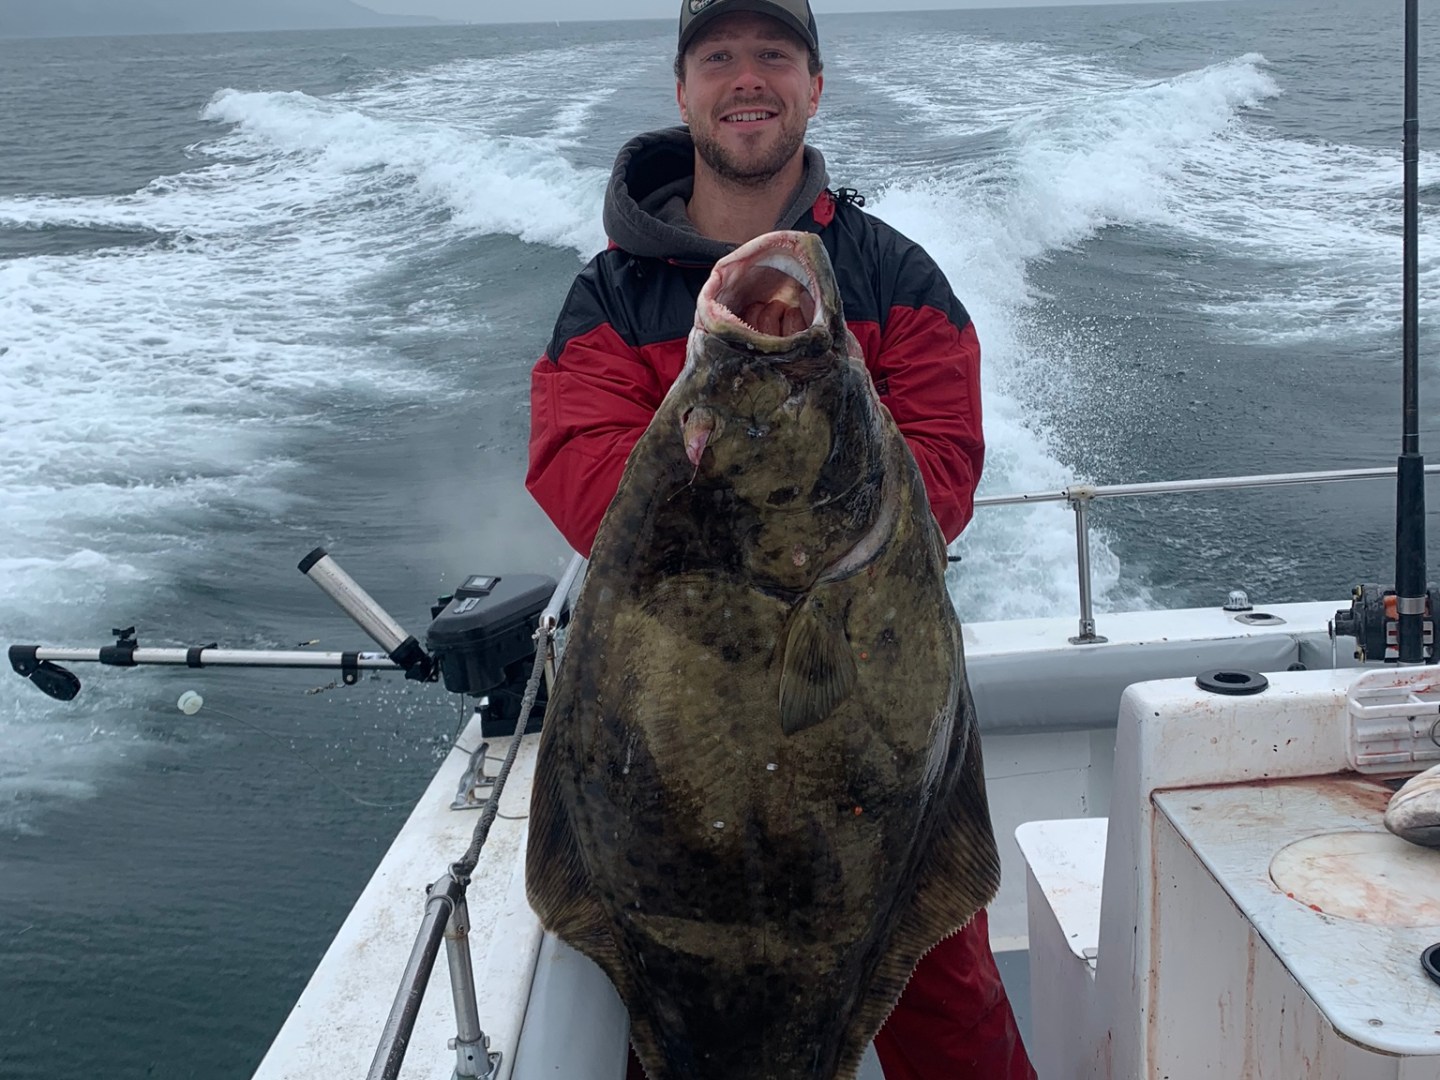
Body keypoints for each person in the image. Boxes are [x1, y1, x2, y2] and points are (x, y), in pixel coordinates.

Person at [525, 0, 1036, 1076]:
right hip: (670, 740)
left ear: (814, 85)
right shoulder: (609, 296)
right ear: (681, 90)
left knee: (951, 998)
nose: (745, 77)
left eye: (774, 55)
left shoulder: (897, 278)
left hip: (870, 721)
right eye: (718, 56)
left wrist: (760, 430)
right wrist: (753, 437)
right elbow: (575, 469)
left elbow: (941, 473)